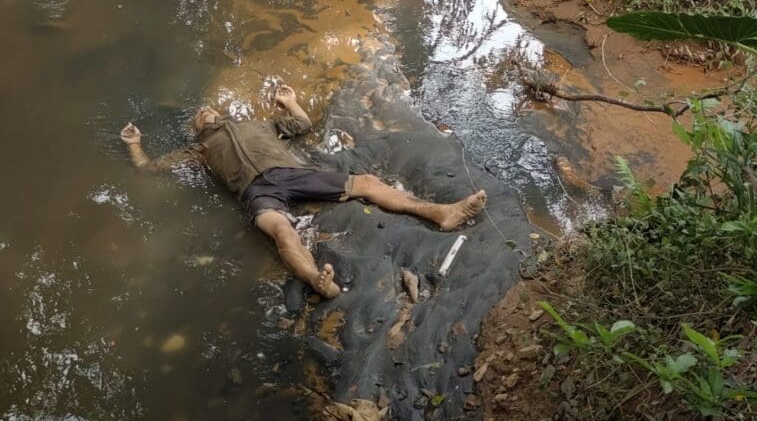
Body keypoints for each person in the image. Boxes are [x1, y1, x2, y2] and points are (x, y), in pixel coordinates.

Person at [120, 84, 486, 300]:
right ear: (196, 128)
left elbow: (301, 125)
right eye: (199, 114)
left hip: (293, 173)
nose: (204, 110)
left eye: (208, 107)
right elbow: (150, 170)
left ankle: (442, 212)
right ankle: (316, 280)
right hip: (255, 190)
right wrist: (135, 144)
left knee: (368, 184)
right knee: (281, 229)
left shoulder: (258, 124)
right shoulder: (197, 150)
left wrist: (289, 101)